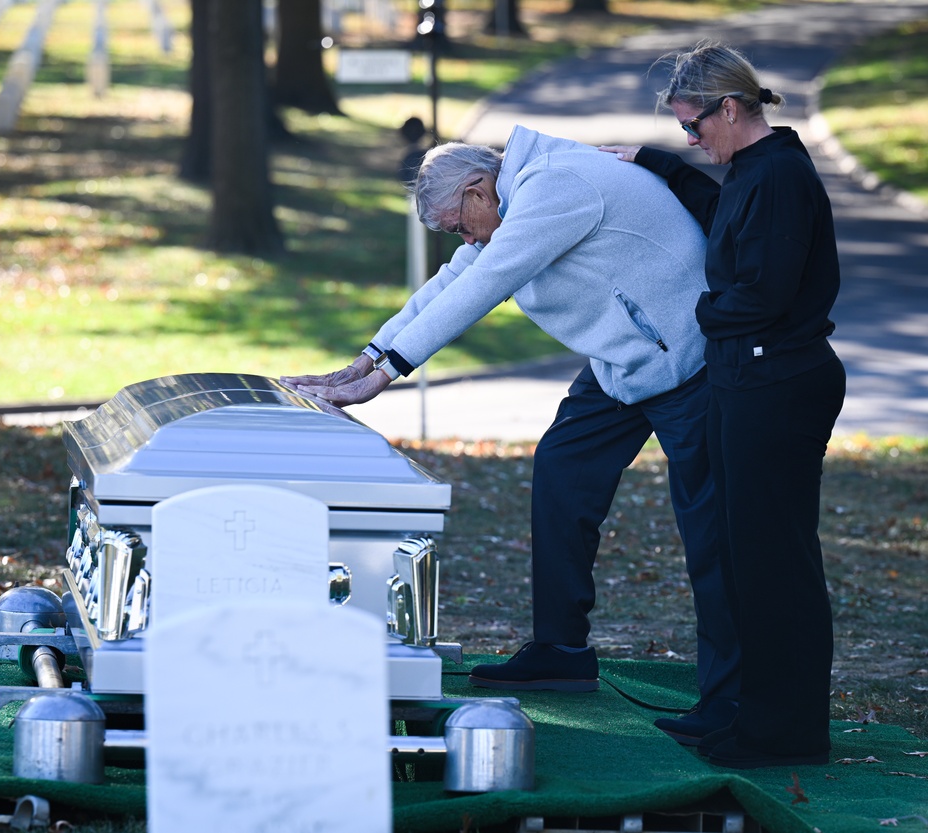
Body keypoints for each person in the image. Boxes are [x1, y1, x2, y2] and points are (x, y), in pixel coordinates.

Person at [282, 124, 741, 739]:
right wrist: (363, 360)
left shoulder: (557, 188)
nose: (462, 238)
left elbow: (485, 282)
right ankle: (562, 651)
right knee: (561, 476)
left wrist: (385, 377)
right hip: (624, 361)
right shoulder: (514, 195)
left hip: (686, 359)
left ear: (478, 191)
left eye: (457, 225)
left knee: (709, 530)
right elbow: (453, 279)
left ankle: (731, 698)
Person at [601, 41, 846, 769]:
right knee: (745, 555)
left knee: (775, 562)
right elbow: (725, 212)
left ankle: (783, 730)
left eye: (693, 124)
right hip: (749, 382)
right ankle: (746, 711)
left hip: (777, 383)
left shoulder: (778, 176)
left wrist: (692, 317)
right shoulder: (752, 170)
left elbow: (761, 294)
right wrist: (658, 164)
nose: (690, 136)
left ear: (731, 107)